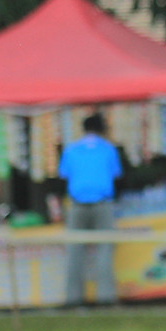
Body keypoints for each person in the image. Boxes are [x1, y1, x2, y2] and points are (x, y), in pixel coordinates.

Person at [58, 112, 122, 306]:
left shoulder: (71, 150)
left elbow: (63, 175)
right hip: (103, 204)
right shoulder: (108, 149)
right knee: (105, 250)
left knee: (74, 252)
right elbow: (116, 175)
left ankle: (73, 299)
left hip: (76, 205)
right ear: (102, 129)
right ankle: (105, 298)